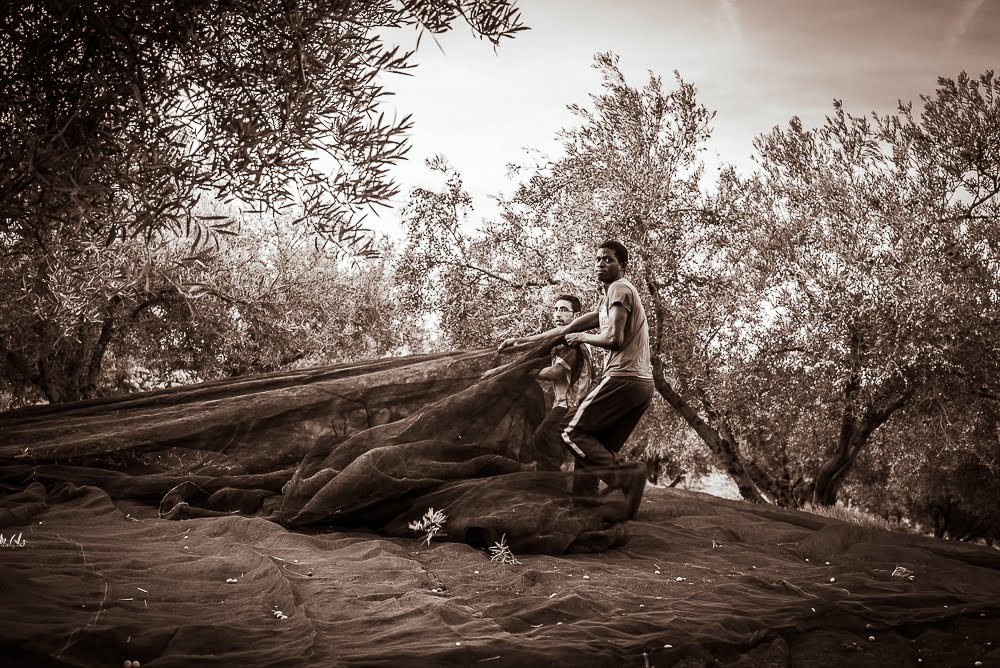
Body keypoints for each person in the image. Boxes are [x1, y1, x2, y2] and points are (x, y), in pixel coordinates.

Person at [500, 240, 653, 518]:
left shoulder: (620, 289)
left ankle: (627, 476)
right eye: (597, 259)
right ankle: (586, 512)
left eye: (608, 259)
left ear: (623, 266)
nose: (601, 264)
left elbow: (613, 338)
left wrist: (583, 338)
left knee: (570, 431)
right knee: (590, 449)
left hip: (624, 377)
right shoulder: (607, 301)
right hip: (641, 386)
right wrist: (520, 341)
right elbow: (566, 330)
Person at [528, 294, 595, 471]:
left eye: (564, 310)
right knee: (559, 450)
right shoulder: (579, 341)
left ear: (576, 316)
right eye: (556, 309)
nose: (558, 314)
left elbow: (555, 373)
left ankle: (552, 486)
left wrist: (525, 372)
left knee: (541, 440)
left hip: (568, 405)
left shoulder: (571, 342)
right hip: (576, 406)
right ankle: (556, 485)